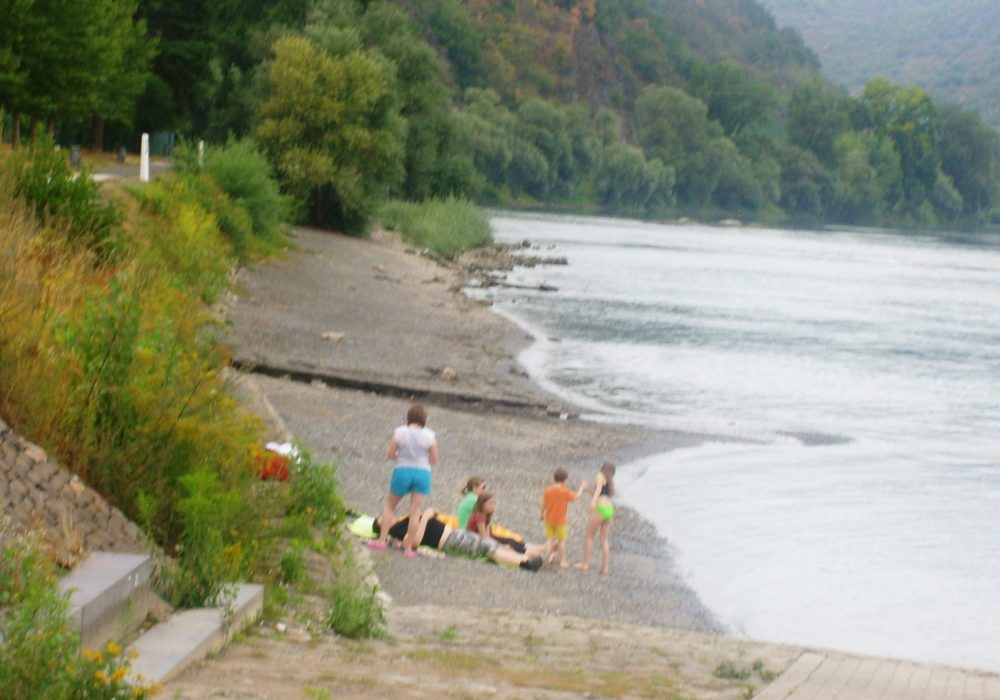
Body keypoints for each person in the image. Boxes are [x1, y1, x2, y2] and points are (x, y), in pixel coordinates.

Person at [373, 508, 546, 572]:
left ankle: (525, 559)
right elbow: (414, 542)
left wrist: (428, 514)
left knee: (488, 545)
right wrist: (425, 518)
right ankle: (524, 563)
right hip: (449, 540)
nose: (388, 518)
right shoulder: (399, 532)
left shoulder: (405, 520)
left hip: (453, 534)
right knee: (487, 548)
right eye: (383, 520)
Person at [369, 403, 438, 558]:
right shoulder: (430, 435)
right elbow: (434, 458)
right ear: (424, 419)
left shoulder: (400, 432)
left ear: (409, 417)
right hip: (422, 473)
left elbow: (391, 454)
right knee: (415, 512)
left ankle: (381, 541)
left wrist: (402, 455)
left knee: (390, 507)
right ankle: (408, 548)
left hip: (403, 470)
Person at [541, 468, 588, 568]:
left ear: (554, 478)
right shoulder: (564, 491)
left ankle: (547, 556)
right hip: (561, 521)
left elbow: (543, 503)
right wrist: (582, 488)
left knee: (550, 540)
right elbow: (576, 497)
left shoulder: (548, 490)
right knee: (561, 541)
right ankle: (563, 561)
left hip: (549, 519)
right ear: (565, 480)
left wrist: (541, 514)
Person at [576, 462, 616, 575]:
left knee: (589, 536)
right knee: (604, 539)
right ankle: (605, 567)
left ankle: (584, 564)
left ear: (602, 469)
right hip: (609, 509)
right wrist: (586, 488)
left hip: (601, 508)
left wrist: (592, 503)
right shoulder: (610, 481)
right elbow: (599, 493)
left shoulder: (600, 476)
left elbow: (598, 491)